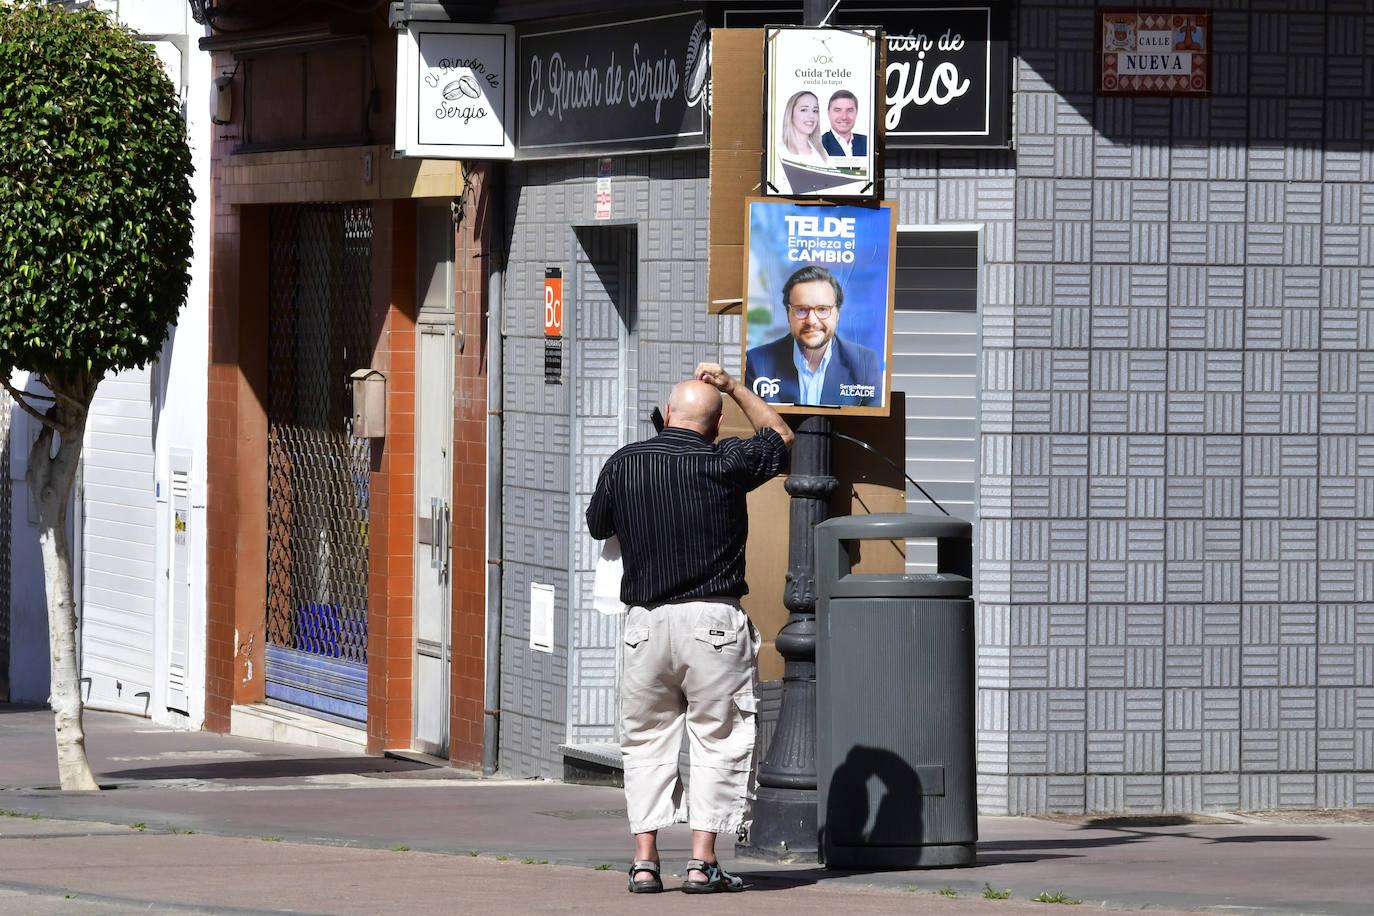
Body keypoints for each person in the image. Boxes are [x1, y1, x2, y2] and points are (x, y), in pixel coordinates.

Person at [586, 362, 794, 895]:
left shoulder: (625, 462)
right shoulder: (726, 460)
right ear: (717, 423)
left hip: (646, 624)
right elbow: (780, 437)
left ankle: (644, 862)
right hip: (713, 623)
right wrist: (734, 386)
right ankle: (702, 863)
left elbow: (597, 524)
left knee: (645, 741)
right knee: (718, 739)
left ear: (666, 413)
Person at [744, 264, 882, 407]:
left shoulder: (865, 363)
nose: (811, 321)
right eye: (801, 310)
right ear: (788, 314)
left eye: (822, 309)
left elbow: (871, 418)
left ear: (837, 314)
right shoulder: (756, 362)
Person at [779, 90, 828, 165]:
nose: (811, 116)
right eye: (804, 110)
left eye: (815, 111)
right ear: (790, 113)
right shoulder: (779, 151)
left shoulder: (822, 152)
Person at [820, 89, 868, 158]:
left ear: (856, 113)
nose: (844, 117)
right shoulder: (818, 145)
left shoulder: (867, 142)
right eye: (837, 110)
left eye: (849, 110)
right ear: (828, 113)